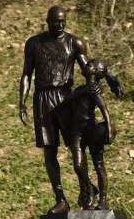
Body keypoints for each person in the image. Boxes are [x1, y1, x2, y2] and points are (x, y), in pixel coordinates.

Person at [19, 5, 89, 213]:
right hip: (42, 98)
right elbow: (26, 74)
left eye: (62, 21)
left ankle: (86, 190)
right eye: (55, 21)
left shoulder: (74, 42)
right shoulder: (34, 43)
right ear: (47, 21)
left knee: (76, 145)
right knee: (49, 150)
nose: (59, 25)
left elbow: (88, 69)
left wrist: (101, 83)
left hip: (65, 97)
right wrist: (22, 101)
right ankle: (60, 198)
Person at [51, 58, 124, 210]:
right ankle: (90, 186)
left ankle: (103, 200)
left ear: (96, 72)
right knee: (78, 165)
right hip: (76, 132)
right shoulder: (82, 89)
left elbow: (104, 109)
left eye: (90, 65)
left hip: (90, 130)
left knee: (98, 165)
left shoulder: (93, 90)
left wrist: (109, 129)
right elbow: (65, 102)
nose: (86, 65)